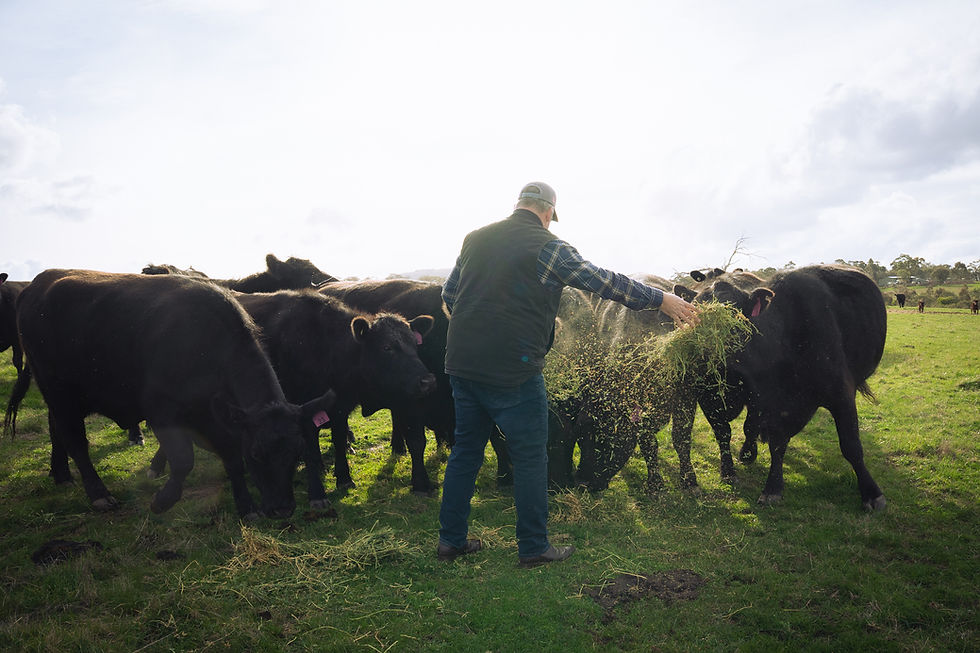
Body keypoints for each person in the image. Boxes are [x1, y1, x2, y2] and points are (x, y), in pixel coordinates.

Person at [437, 181, 699, 567]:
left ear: (520, 205)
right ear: (548, 213)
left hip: (462, 365)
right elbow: (604, 282)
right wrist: (661, 298)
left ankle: (450, 542)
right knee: (529, 456)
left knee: (465, 451)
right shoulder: (549, 246)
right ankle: (533, 547)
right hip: (515, 370)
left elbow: (449, 297)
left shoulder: (474, 238)